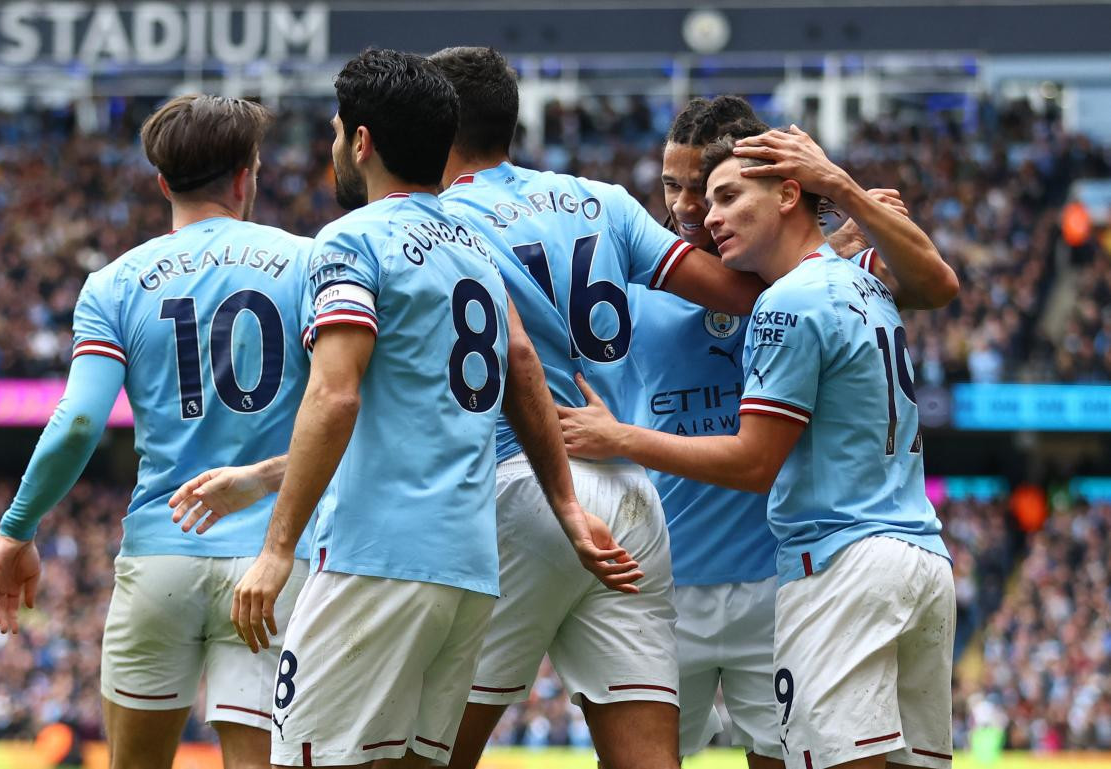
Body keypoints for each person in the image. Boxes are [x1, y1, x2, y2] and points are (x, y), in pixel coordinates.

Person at [222, 49, 639, 769]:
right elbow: (522, 363)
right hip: (467, 571)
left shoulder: (351, 240)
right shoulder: (473, 244)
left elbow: (336, 392)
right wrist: (566, 506)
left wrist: (277, 545)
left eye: (333, 131)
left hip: (373, 558)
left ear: (361, 142)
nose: (331, 146)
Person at [560, 97, 958, 768]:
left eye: (710, 188)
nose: (689, 206)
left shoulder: (800, 282)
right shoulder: (632, 283)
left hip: (781, 576)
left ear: (774, 186)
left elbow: (934, 283)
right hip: (663, 576)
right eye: (673, 185)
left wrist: (845, 209)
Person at [426, 47, 766, 769]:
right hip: (629, 500)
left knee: (431, 748)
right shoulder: (601, 201)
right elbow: (744, 292)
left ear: (439, 124)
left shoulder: (431, 221)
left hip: (516, 486)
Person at [0, 94, 317, 769]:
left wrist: (17, 529)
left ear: (163, 182)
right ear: (246, 176)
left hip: (162, 551)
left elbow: (79, 422)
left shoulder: (114, 284)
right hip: (275, 558)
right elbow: (347, 403)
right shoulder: (312, 263)